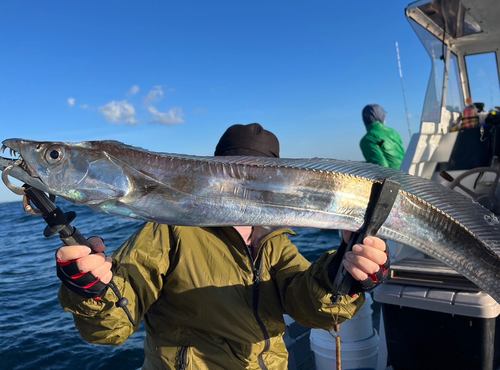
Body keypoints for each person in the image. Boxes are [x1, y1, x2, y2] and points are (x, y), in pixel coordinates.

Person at [56, 123, 390, 370]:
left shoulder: (274, 240)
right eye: (232, 172)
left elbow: (309, 305)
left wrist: (344, 276)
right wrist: (91, 291)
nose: (243, 184)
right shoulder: (169, 228)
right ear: (211, 173)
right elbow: (112, 325)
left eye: (259, 175)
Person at [360, 104, 405, 170]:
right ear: (381, 118)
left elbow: (382, 167)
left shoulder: (367, 140)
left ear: (364, 120)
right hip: (408, 174)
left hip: (395, 179)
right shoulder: (393, 132)